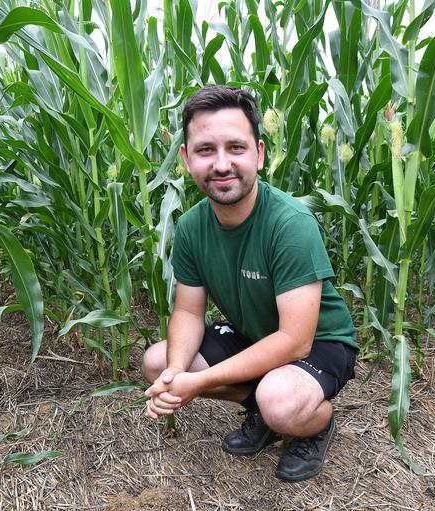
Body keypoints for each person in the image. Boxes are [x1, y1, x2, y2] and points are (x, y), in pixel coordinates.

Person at [141, 85, 358, 482]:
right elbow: (189, 310)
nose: (222, 164)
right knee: (157, 361)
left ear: (258, 154)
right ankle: (261, 409)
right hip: (254, 334)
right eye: (206, 150)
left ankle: (316, 424)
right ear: (187, 160)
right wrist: (175, 374)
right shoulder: (191, 228)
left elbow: (296, 341)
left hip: (320, 341)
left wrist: (199, 382)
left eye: (236, 148)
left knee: (280, 401)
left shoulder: (289, 224)